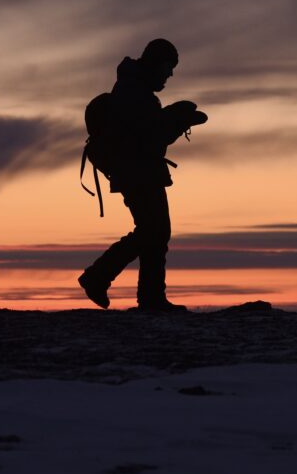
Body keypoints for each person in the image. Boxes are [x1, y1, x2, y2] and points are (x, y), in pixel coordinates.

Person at [78, 38, 206, 312]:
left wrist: (176, 119)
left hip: (139, 170)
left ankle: (148, 297)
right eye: (168, 67)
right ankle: (100, 277)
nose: (170, 74)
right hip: (137, 171)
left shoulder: (135, 89)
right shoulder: (133, 91)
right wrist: (178, 118)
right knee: (153, 231)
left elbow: (149, 135)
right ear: (156, 63)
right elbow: (148, 138)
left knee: (154, 232)